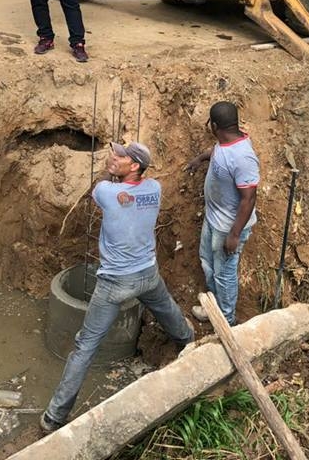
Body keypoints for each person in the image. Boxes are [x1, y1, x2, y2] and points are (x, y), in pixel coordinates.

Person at [40, 142, 194, 433]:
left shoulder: (105, 192)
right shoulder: (155, 189)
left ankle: (54, 416)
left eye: (120, 156)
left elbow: (105, 188)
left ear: (134, 166)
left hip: (114, 283)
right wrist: (120, 173)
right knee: (165, 308)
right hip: (147, 273)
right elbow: (132, 193)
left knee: (85, 346)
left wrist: (111, 173)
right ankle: (189, 342)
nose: (113, 156)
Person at [185, 101, 260, 326]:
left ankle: (226, 322)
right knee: (207, 261)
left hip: (227, 227)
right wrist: (200, 158)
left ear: (215, 126)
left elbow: (249, 198)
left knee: (224, 274)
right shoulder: (225, 141)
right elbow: (216, 151)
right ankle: (214, 308)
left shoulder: (243, 158)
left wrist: (234, 235)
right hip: (213, 219)